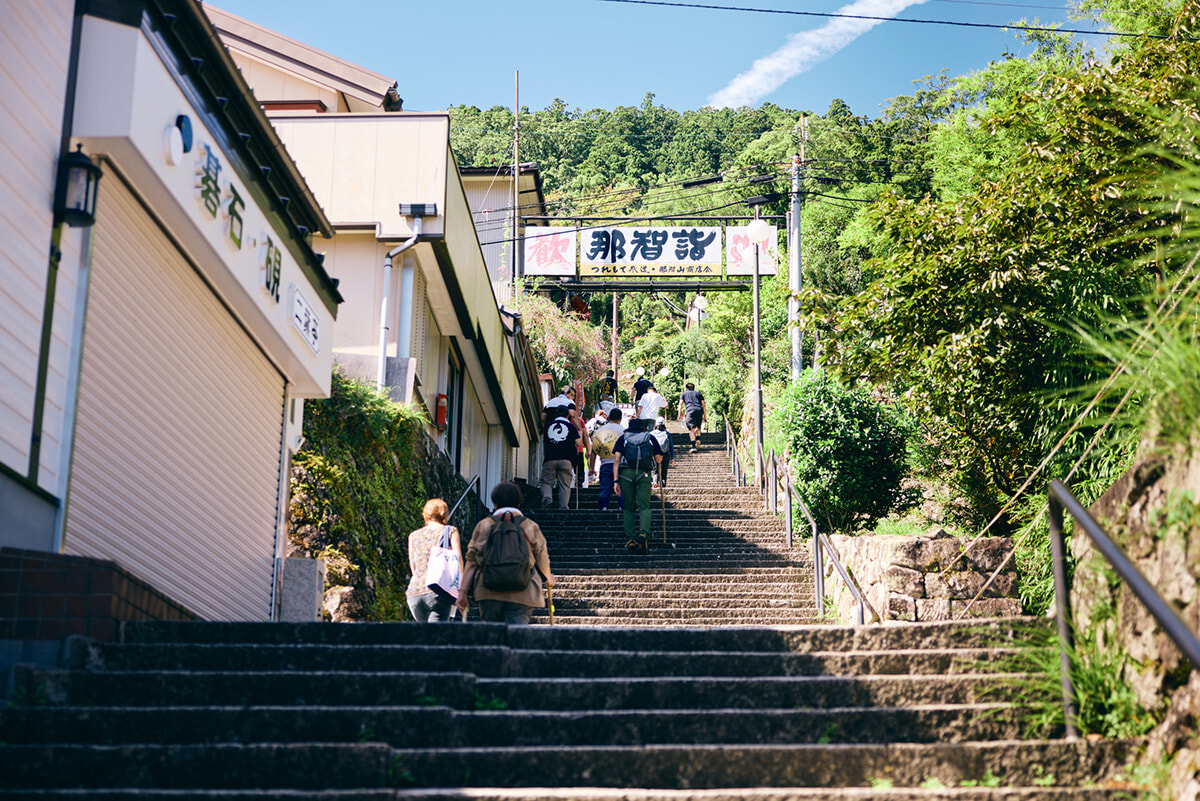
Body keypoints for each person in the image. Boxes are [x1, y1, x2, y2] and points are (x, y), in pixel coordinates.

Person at [457, 481, 555, 625]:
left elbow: (471, 562)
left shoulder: (484, 525)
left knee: (492, 639)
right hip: (523, 592)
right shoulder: (530, 526)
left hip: (488, 591)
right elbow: (543, 561)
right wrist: (548, 578)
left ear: (495, 503)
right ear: (519, 503)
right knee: (517, 639)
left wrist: (462, 592)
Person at [406, 498, 463, 622]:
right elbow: (457, 562)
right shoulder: (450, 531)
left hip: (414, 593)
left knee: (425, 636)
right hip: (438, 591)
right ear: (444, 514)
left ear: (425, 515)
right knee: (435, 638)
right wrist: (461, 590)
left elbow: (413, 568)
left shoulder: (413, 536)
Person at [613, 417, 663, 554]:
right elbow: (658, 459)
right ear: (643, 428)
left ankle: (631, 539)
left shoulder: (623, 438)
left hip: (625, 475)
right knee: (644, 506)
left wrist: (615, 481)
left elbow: (616, 460)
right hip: (644, 474)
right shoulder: (650, 438)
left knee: (628, 508)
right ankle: (643, 533)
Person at [540, 402, 579, 508]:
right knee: (565, 484)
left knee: (547, 481)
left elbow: (545, 443)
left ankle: (547, 498)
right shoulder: (570, 427)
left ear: (555, 415)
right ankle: (563, 506)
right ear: (568, 415)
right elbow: (578, 443)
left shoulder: (548, 426)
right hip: (566, 459)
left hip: (550, 458)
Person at [590, 406, 625, 511]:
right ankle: (622, 508)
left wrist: (591, 467)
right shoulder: (623, 431)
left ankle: (603, 508)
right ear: (620, 419)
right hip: (621, 465)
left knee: (605, 489)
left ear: (608, 417)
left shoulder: (600, 431)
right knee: (622, 489)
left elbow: (593, 450)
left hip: (605, 464)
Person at [679, 381, 708, 453]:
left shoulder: (684, 394)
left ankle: (693, 446)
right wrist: (705, 415)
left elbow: (680, 404)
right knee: (698, 427)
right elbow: (703, 404)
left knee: (691, 430)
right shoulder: (698, 394)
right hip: (699, 410)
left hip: (690, 410)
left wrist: (679, 414)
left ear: (686, 388)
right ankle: (698, 438)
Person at [569, 403, 591, 492]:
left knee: (578, 468)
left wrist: (588, 449)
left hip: (578, 448)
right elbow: (585, 435)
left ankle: (579, 483)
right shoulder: (576, 420)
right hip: (573, 448)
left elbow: (585, 435)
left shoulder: (579, 421)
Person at [650, 416, 675, 489]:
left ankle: (655, 482)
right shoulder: (667, 433)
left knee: (655, 470)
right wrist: (672, 458)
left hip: (655, 454)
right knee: (664, 470)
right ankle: (663, 484)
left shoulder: (651, 434)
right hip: (665, 453)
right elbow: (671, 446)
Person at [585, 406, 608, 481]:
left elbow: (586, 430)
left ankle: (592, 475)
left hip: (594, 441)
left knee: (594, 457)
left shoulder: (593, 420)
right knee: (601, 459)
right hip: (604, 442)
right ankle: (599, 475)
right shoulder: (606, 422)